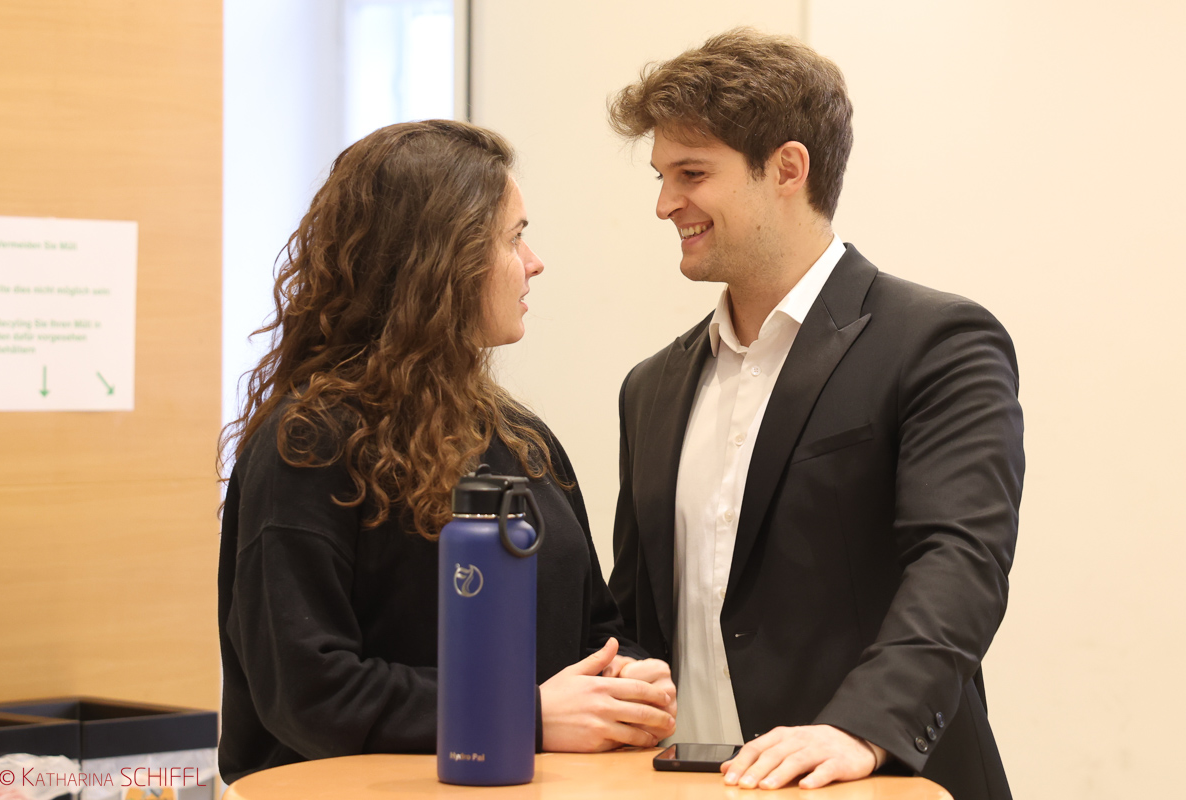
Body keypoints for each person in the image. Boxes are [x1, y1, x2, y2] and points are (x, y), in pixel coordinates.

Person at [606, 29, 1023, 800]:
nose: (665, 205)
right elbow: (635, 618)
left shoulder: (937, 343)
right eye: (663, 177)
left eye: (692, 173)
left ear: (788, 169)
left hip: (884, 784)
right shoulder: (650, 388)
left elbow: (960, 561)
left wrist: (859, 728)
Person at [216, 120, 675, 783]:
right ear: (442, 260)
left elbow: (595, 632)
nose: (534, 262)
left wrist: (627, 676)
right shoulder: (309, 443)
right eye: (513, 238)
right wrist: (522, 714)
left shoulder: (523, 440)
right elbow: (309, 693)